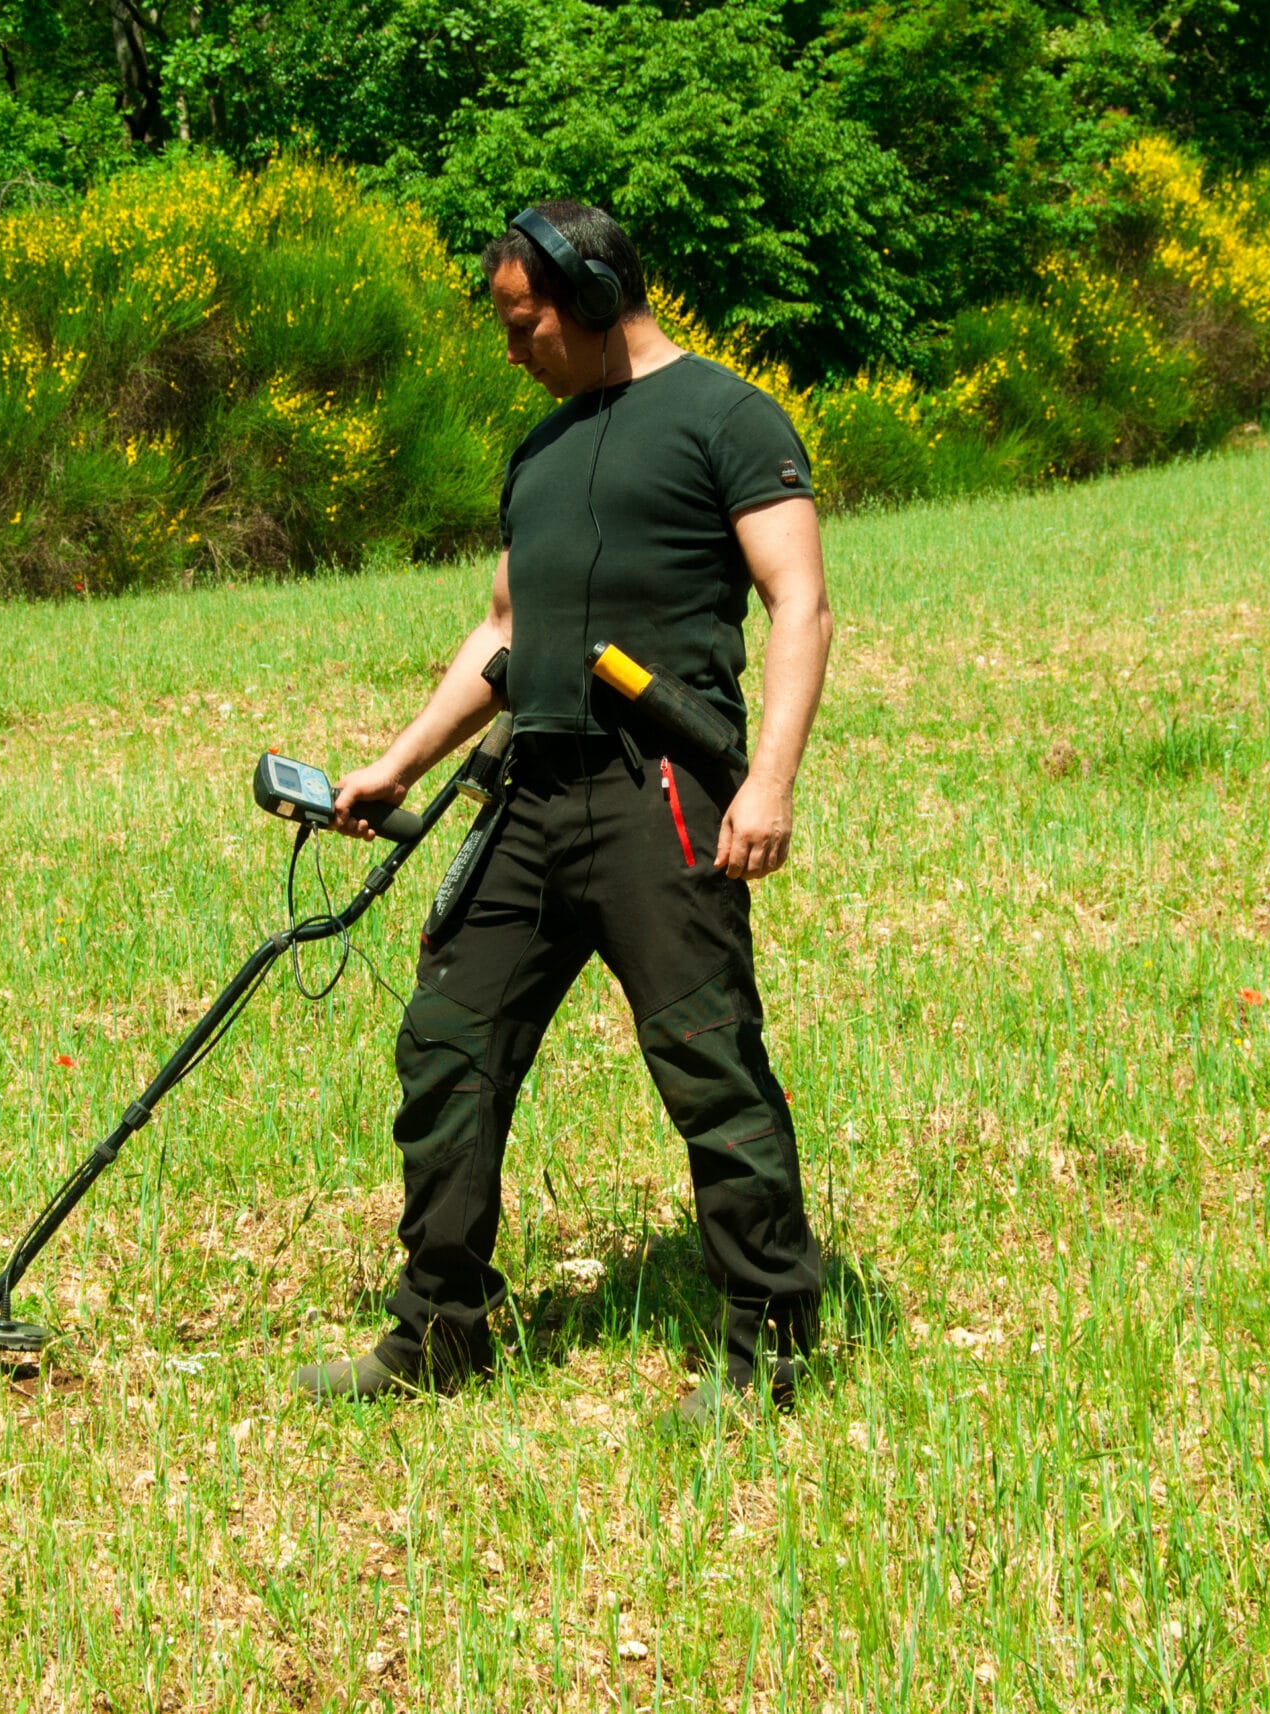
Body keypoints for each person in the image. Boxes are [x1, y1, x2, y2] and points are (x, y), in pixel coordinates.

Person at [291, 202, 832, 1430]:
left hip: (664, 794)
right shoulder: (536, 451)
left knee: (705, 1058)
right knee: (445, 1044)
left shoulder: (726, 418)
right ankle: (438, 1328)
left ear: (592, 296)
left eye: (523, 320)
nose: (512, 344)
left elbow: (798, 606)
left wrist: (771, 781)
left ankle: (772, 1338)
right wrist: (392, 766)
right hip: (527, 793)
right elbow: (501, 631)